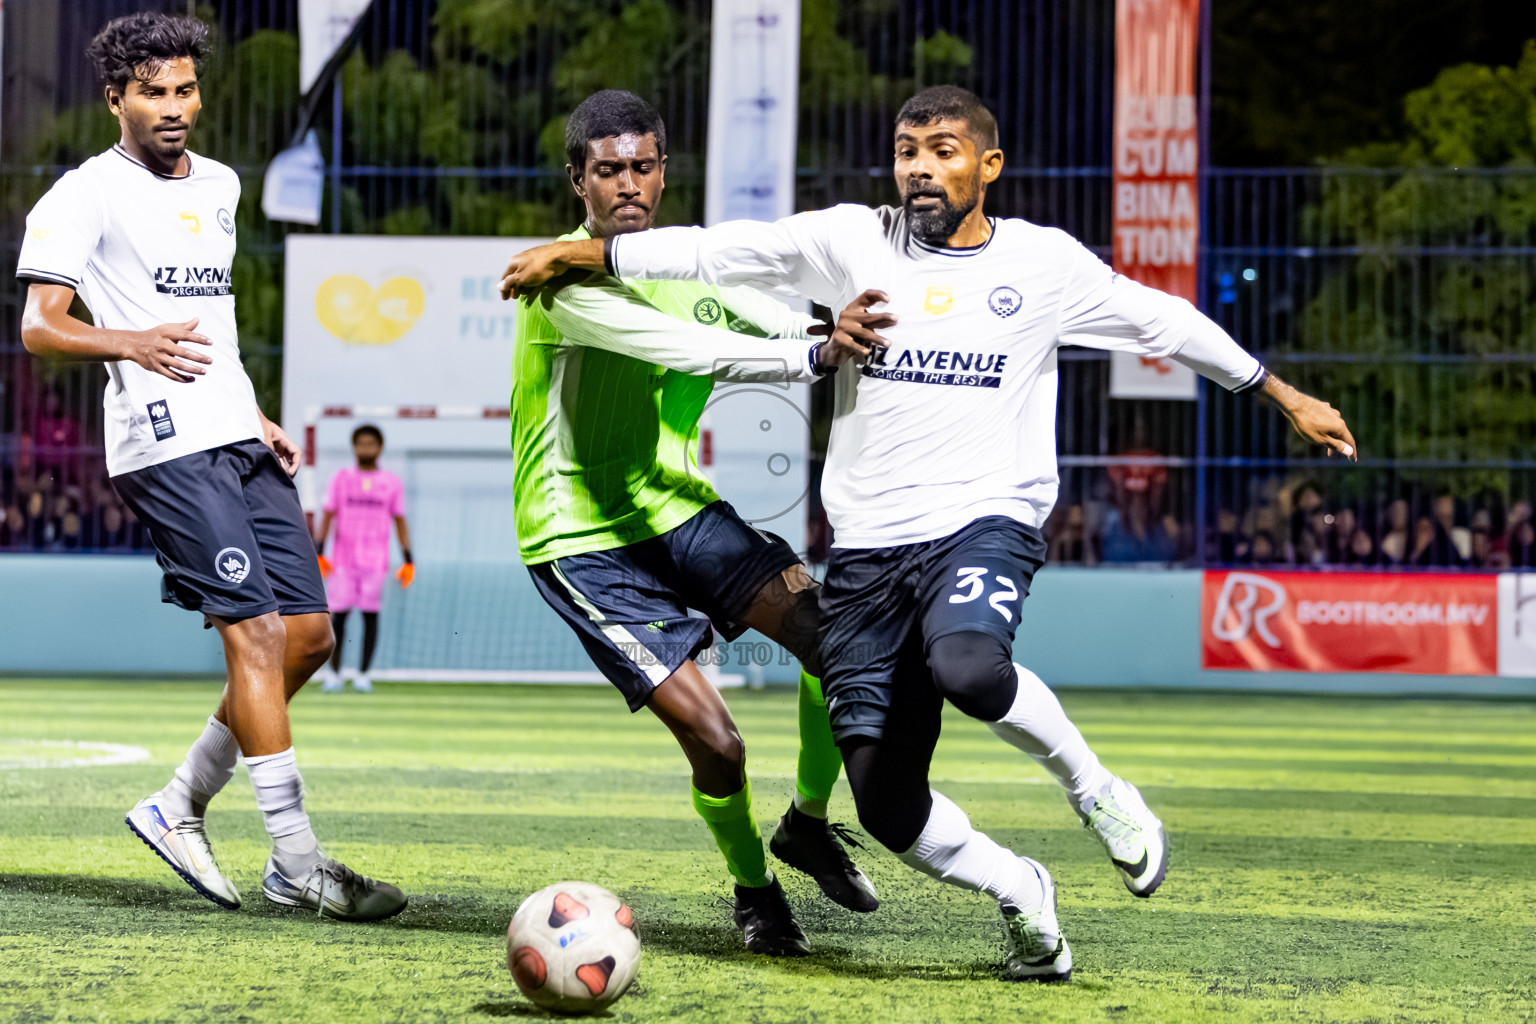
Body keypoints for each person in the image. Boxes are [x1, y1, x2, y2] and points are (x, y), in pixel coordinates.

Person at [502, 85, 1359, 980]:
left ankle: (1089, 793)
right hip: (748, 543)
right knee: (862, 793)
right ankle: (989, 890)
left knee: (958, 664)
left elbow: (1163, 319)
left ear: (987, 165)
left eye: (943, 149)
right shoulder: (825, 244)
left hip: (955, 520)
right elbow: (721, 265)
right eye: (909, 149)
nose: (921, 165)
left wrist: (1279, 391)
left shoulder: (1041, 263)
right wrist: (587, 251)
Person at [16, 13, 404, 922]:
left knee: (310, 638)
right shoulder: (83, 195)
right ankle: (298, 861)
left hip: (231, 427)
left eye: (185, 89)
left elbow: (214, 321)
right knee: (259, 636)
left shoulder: (223, 185)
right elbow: (39, 324)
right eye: (153, 92)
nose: (174, 107)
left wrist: (256, 412)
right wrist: (131, 344)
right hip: (162, 439)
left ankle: (178, 803)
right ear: (116, 99)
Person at [511, 90, 879, 956]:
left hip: (675, 505)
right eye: (609, 171)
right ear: (579, 181)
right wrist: (814, 353)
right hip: (579, 537)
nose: (628, 185)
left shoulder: (687, 265)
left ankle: (810, 823)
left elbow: (775, 314)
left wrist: (834, 326)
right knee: (719, 745)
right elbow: (685, 349)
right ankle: (754, 891)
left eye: (643, 167)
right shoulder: (559, 277)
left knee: (838, 641)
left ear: (664, 171)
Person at [314, 424, 413, 694]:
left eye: (371, 443)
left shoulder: (391, 483)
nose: (366, 448)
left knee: (371, 617)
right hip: (343, 562)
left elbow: (400, 521)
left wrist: (408, 559)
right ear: (354, 446)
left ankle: (363, 674)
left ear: (380, 447)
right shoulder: (341, 479)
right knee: (338, 617)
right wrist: (319, 551)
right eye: (361, 443)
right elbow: (327, 516)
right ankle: (333, 674)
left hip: (375, 563)